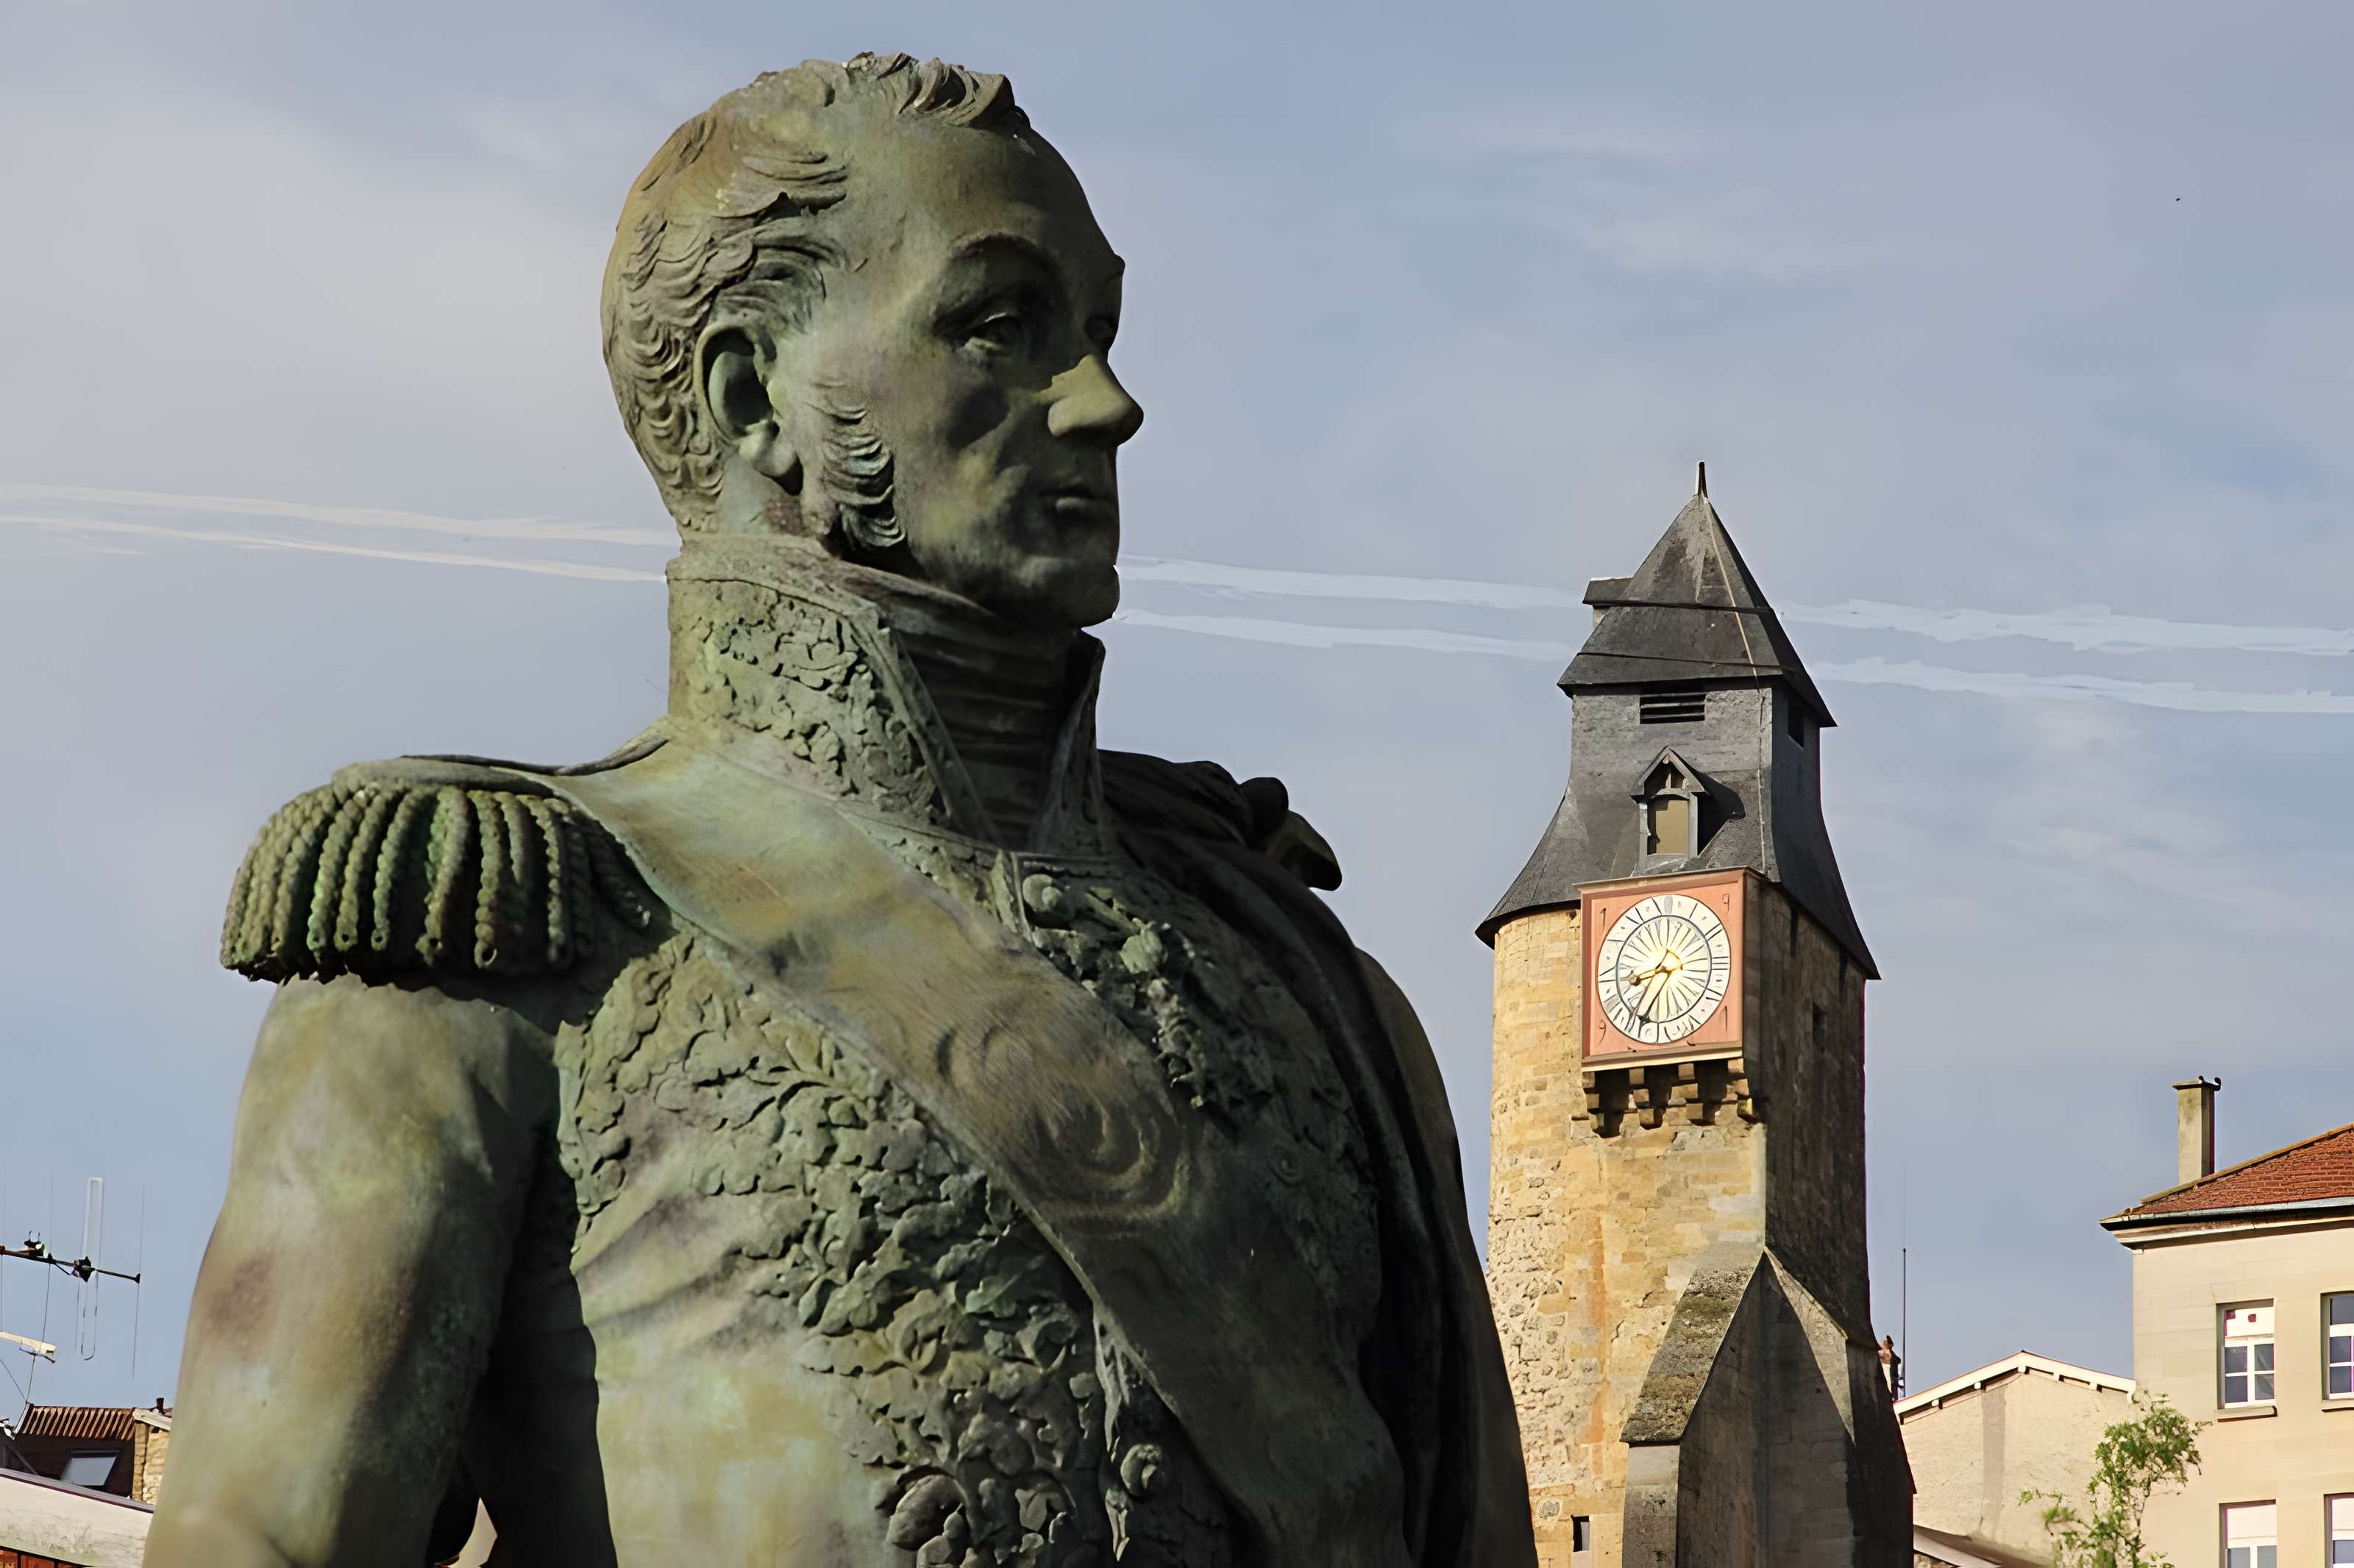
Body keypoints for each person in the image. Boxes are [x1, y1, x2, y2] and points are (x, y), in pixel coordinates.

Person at [147, 53, 1536, 1568]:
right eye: (1001, 325)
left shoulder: (1298, 987)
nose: (1107, 403)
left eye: (1100, 331)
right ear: (757, 399)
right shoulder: (498, 955)